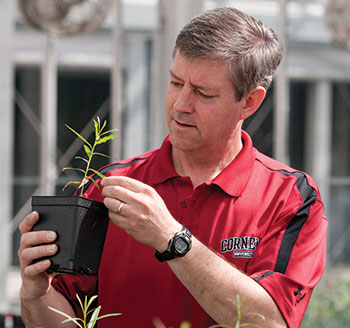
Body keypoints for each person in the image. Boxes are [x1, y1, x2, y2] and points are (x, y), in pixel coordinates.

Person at [18, 7, 327, 328]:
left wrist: (171, 238)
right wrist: (36, 293)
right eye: (176, 82)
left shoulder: (289, 197)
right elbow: (66, 323)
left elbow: (270, 322)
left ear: (250, 102)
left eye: (203, 93)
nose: (181, 104)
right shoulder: (108, 187)